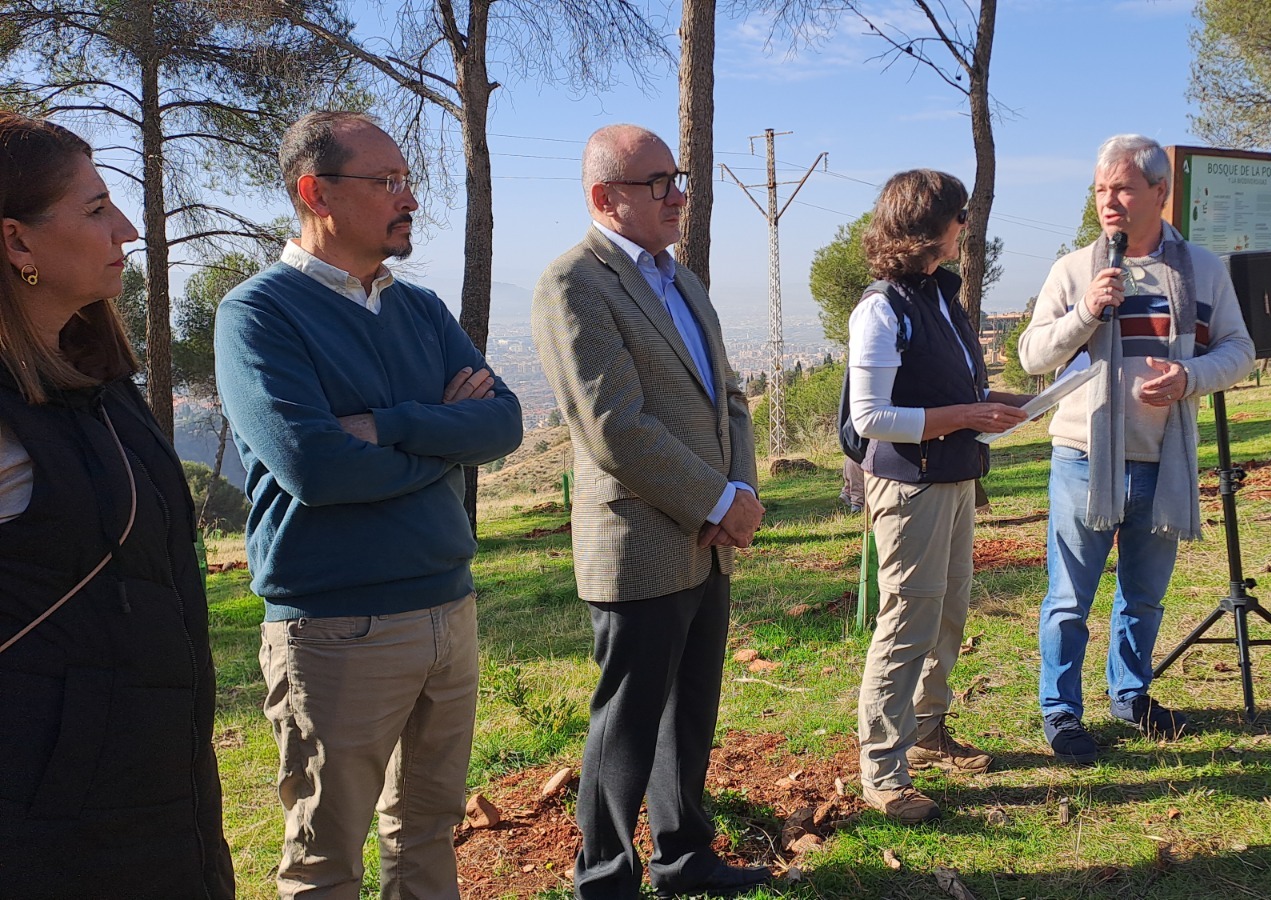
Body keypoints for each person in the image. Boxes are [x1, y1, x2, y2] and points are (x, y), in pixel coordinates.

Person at [213, 111, 523, 899]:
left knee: (428, 831)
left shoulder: (419, 308)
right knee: (325, 859)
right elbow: (315, 467)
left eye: (407, 180)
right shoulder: (258, 314)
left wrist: (389, 426)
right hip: (335, 626)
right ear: (315, 192)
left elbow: (504, 423)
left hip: (448, 608)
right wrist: (446, 435)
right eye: (386, 181)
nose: (408, 198)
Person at [530, 124, 769, 900]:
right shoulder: (573, 283)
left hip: (707, 539)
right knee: (627, 726)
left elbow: (730, 397)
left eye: (679, 179)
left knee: (690, 712)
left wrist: (739, 496)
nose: (679, 196)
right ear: (606, 197)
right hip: (638, 543)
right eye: (659, 183)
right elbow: (615, 428)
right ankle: (604, 877)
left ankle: (684, 856)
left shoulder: (682, 280)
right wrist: (718, 499)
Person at [0, 112, 234, 898]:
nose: (128, 229)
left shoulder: (101, 382)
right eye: (97, 209)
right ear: (17, 242)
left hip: (164, 798)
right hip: (51, 835)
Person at [1017, 134, 1255, 765]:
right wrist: (1085, 313)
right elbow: (1033, 355)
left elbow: (1239, 349)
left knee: (1143, 596)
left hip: (1163, 459)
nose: (1109, 201)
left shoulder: (1203, 269)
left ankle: (1130, 695)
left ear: (1159, 192)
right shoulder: (1074, 270)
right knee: (1069, 600)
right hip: (1083, 458)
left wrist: (1190, 377)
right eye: (1101, 189)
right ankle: (1061, 712)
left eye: (1122, 188)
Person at [847, 169, 1030, 825]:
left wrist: (1011, 403)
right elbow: (872, 417)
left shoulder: (939, 296)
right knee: (907, 624)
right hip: (909, 488)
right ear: (930, 226)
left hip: (953, 478)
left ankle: (928, 730)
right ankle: (883, 771)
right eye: (960, 216)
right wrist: (969, 416)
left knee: (947, 613)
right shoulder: (881, 308)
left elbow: (955, 392)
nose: (967, 227)